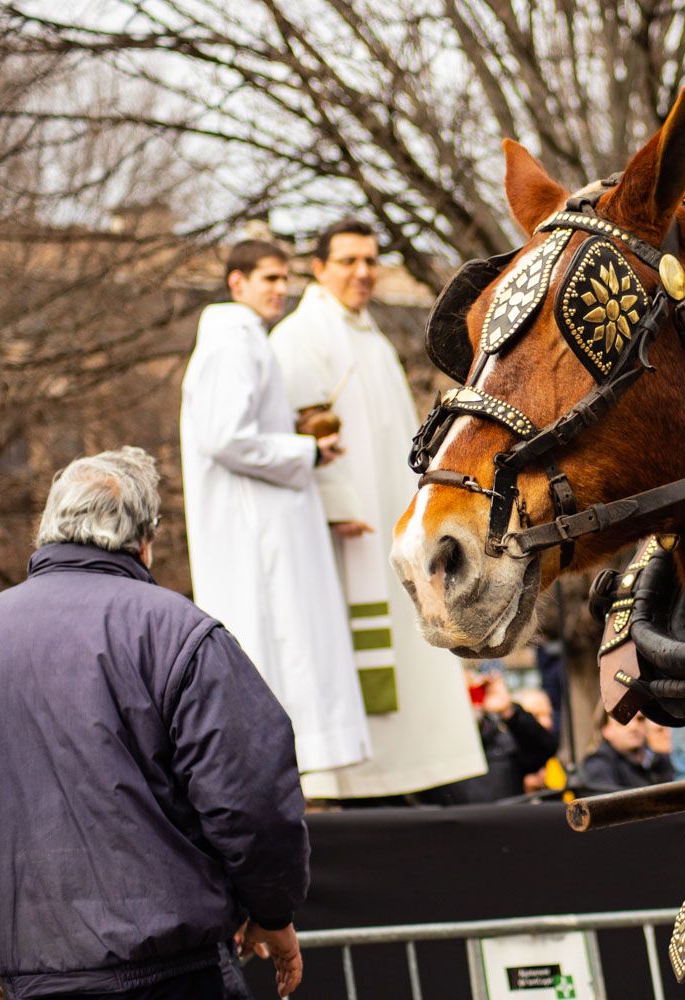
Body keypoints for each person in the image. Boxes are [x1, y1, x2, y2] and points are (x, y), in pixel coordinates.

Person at [0, 447, 309, 1000]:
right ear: (145, 541)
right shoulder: (179, 633)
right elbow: (252, 798)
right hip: (171, 977)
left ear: (46, 532)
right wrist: (273, 909)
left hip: (25, 980)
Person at [269, 219, 483, 799]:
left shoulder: (371, 337)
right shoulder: (299, 335)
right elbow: (310, 426)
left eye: (370, 260)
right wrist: (340, 507)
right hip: (350, 535)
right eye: (348, 261)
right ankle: (363, 782)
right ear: (318, 267)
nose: (363, 272)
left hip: (394, 520)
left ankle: (418, 775)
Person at [181, 238, 371, 779]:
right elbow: (225, 437)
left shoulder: (244, 341)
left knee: (291, 640)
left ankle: (294, 772)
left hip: (266, 521)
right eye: (269, 278)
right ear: (236, 282)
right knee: (279, 641)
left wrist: (296, 437)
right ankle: (288, 774)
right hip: (257, 532)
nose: (281, 289)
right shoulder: (231, 341)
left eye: (285, 278)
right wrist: (305, 449)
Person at [424, 673, 558, 804]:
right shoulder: (434, 748)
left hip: (506, 821)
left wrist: (509, 710)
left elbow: (543, 748)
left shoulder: (500, 738)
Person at [579, 712, 677, 792]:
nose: (634, 727)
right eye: (623, 722)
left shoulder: (658, 761)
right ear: (606, 730)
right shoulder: (598, 764)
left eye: (640, 719)